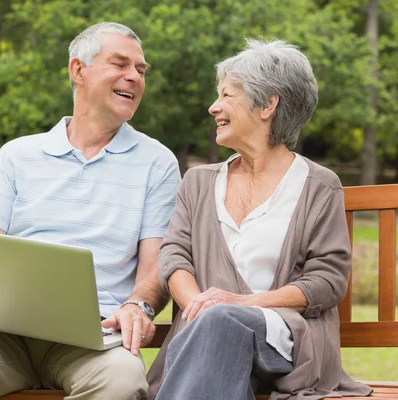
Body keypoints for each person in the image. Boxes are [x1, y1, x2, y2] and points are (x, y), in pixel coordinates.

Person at [0, 22, 181, 400]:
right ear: (77, 70)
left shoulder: (157, 163)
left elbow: (156, 268)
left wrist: (139, 307)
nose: (133, 76)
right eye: (120, 64)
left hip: (93, 341)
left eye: (140, 69)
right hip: (0, 336)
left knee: (122, 380)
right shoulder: (17, 155)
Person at [146, 39, 373, 400]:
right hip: (204, 335)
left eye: (226, 95)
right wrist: (197, 306)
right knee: (217, 327)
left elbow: (327, 280)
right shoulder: (198, 182)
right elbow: (174, 256)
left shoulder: (319, 185)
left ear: (268, 104)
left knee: (222, 322)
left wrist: (240, 305)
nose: (213, 107)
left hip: (285, 341)